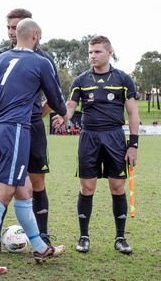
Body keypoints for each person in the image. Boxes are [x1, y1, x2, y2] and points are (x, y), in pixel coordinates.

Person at [0, 18, 67, 274]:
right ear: (36, 35)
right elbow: (57, 100)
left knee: (24, 188)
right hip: (16, 131)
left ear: (16, 35)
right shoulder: (41, 62)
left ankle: (39, 246)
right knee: (2, 192)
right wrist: (64, 112)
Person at [52, 35, 139, 255]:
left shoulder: (123, 79)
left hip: (115, 138)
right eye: (90, 52)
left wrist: (133, 145)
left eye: (97, 51)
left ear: (109, 53)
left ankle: (120, 238)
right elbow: (70, 107)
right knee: (86, 187)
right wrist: (64, 117)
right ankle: (84, 236)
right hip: (88, 137)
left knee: (117, 187)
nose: (93, 56)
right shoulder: (80, 80)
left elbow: (133, 112)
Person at [0, 8, 61, 254]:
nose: (11, 32)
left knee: (36, 182)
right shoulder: (0, 56)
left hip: (32, 128)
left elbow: (54, 95)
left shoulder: (44, 60)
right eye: (8, 27)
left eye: (16, 27)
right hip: (7, 128)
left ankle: (43, 236)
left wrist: (39, 115)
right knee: (5, 181)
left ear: (29, 29)